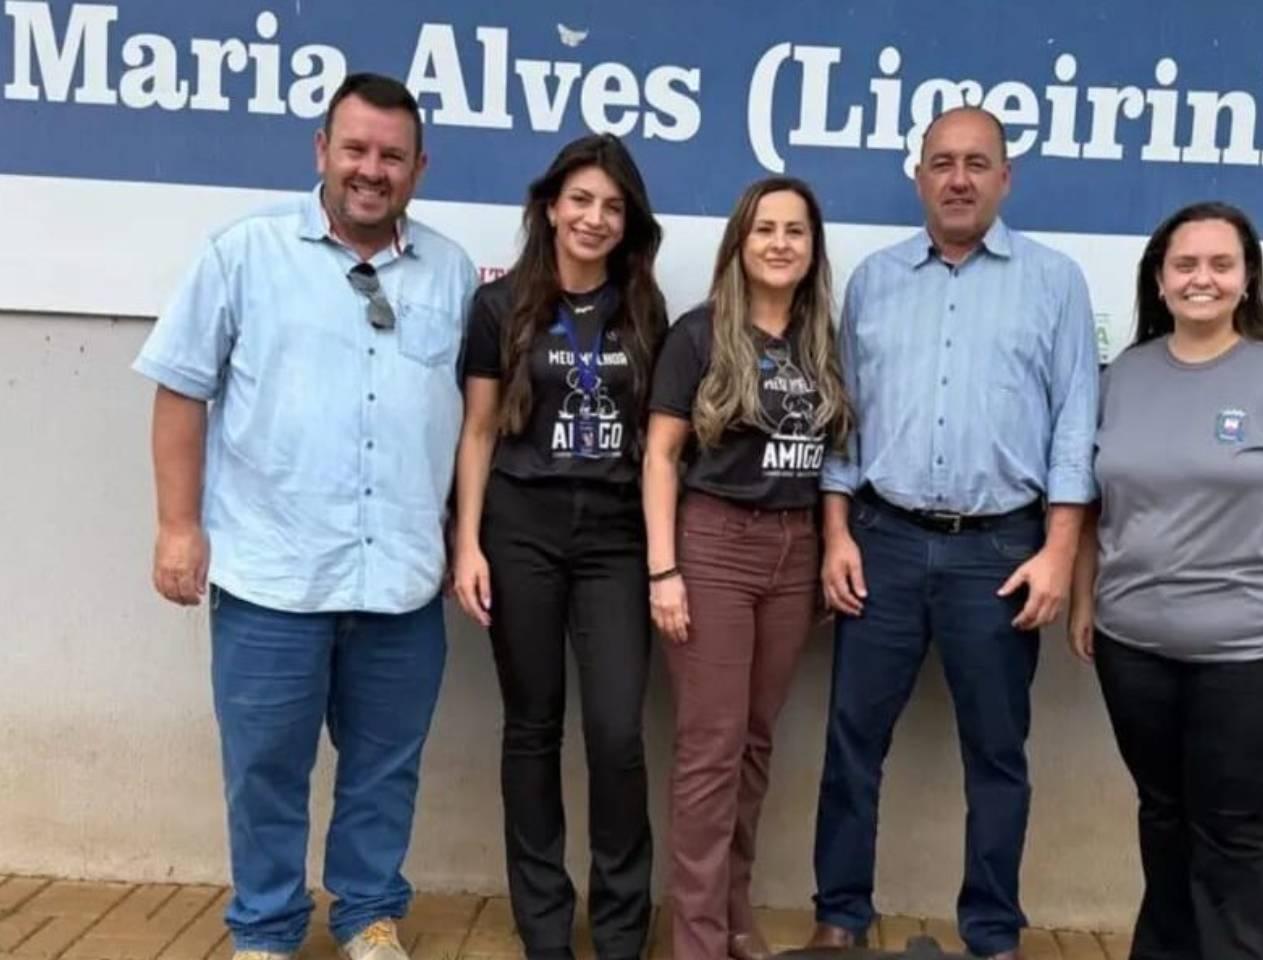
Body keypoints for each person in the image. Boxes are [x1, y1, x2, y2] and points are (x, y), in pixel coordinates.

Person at [133, 73, 477, 960]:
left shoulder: (450, 272)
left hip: (400, 579)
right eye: (355, 149)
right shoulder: (241, 254)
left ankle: (366, 916)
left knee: (383, 773)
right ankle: (266, 930)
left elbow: (473, 420)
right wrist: (179, 526)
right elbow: (182, 389)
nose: (372, 170)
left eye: (392, 156)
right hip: (270, 575)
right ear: (321, 151)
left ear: (420, 166)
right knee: (266, 772)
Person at [807, 106, 1099, 960]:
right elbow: (843, 426)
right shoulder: (873, 279)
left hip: (1003, 553)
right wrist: (836, 532)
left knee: (998, 755)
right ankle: (840, 920)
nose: (959, 178)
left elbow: (1076, 424)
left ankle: (994, 935)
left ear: (1005, 178)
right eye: (942, 162)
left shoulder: (1054, 281)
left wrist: (1059, 552)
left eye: (977, 163)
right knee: (852, 743)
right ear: (919, 176)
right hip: (883, 541)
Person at [1066, 202, 1263, 960]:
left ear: (1246, 280)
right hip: (1132, 645)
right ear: (1160, 278)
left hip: (1251, 654)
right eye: (1184, 265)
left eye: (1219, 264)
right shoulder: (1126, 375)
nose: (1201, 278)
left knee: (1232, 830)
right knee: (1163, 815)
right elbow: (1092, 501)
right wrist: (1085, 599)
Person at [452, 134, 666, 960]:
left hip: (615, 535)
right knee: (532, 726)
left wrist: (659, 558)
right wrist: (467, 544)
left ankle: (620, 930)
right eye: (581, 200)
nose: (595, 218)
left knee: (617, 731)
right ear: (549, 207)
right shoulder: (499, 307)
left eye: (612, 207)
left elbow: (657, 446)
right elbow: (476, 430)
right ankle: (545, 927)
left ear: (629, 222)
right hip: (521, 528)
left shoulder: (644, 309)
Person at [642, 177, 853, 960]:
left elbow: (835, 457)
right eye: (765, 228)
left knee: (756, 744)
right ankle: (695, 937)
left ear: (812, 248)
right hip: (713, 546)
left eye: (796, 231)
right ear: (740, 241)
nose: (780, 243)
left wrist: (829, 541)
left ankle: (733, 914)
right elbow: (661, 457)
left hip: (793, 552)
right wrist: (665, 572)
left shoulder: (824, 340)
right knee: (709, 749)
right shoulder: (697, 336)